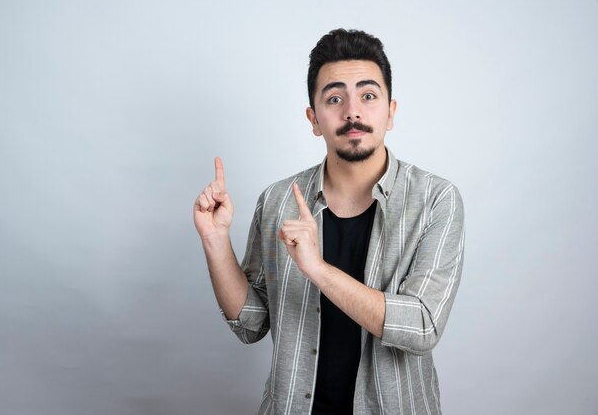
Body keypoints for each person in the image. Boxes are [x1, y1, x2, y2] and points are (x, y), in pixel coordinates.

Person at [193, 28, 465, 415]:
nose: (352, 111)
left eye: (368, 96)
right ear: (314, 119)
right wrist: (215, 240)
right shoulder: (276, 201)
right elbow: (250, 324)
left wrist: (317, 270)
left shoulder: (436, 200)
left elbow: (421, 327)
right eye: (334, 98)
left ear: (391, 113)